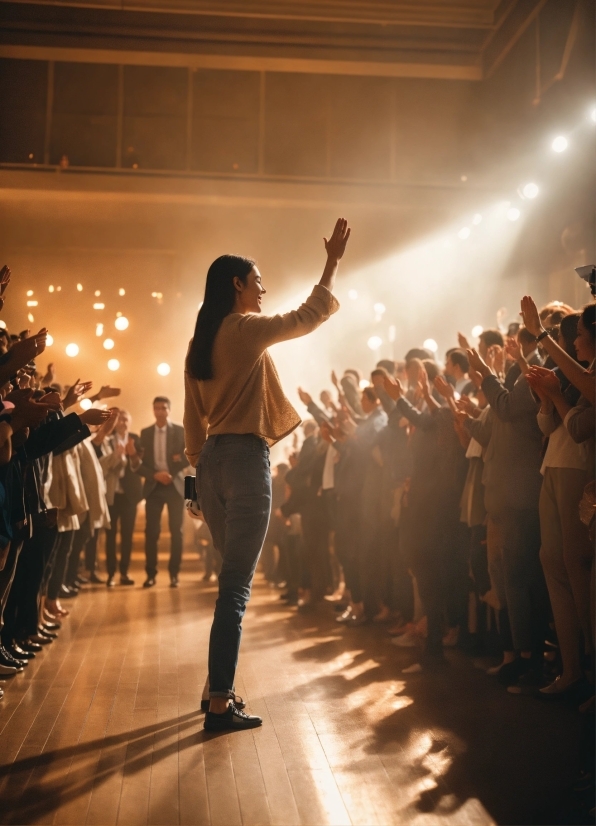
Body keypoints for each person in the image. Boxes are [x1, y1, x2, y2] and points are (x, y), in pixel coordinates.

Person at [184, 217, 350, 731]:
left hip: (210, 464)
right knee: (235, 590)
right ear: (236, 285)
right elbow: (304, 318)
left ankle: (217, 685)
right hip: (244, 461)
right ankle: (218, 702)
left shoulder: (200, 339)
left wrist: (195, 484)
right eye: (257, 281)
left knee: (227, 582)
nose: (262, 288)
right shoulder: (242, 329)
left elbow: (193, 421)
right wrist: (332, 263)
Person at [130, 397, 188, 588]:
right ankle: (151, 574)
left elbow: (189, 457)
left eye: (164, 408)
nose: (160, 411)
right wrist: (155, 475)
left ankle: (174, 574)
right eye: (157, 408)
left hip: (175, 485)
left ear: (169, 410)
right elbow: (140, 465)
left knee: (176, 532)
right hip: (154, 486)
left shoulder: (180, 431)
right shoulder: (145, 433)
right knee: (151, 532)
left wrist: (170, 473)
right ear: (153, 410)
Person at [100, 410, 143, 587]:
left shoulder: (136, 439)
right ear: (115, 422)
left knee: (127, 536)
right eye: (120, 419)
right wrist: (117, 456)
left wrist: (131, 454)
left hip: (129, 495)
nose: (123, 422)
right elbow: (104, 466)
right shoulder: (108, 440)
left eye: (126, 419)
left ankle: (124, 572)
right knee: (110, 535)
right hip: (111, 494)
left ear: (130, 422)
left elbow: (140, 467)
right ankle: (110, 573)